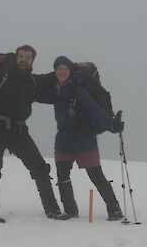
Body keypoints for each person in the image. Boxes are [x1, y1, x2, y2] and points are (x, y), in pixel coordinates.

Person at [0, 41, 64, 223]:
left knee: (39, 167)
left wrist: (73, 67)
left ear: (32, 61)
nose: (24, 60)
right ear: (16, 58)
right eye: (21, 56)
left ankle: (52, 210)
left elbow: (51, 77)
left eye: (28, 58)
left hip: (18, 130)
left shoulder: (32, 81)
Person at [37, 56, 124, 221]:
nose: (62, 71)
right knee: (63, 176)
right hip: (63, 140)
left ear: (70, 72)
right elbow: (35, 95)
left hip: (84, 139)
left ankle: (114, 210)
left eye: (65, 69)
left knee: (96, 175)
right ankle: (70, 210)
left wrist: (112, 125)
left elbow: (94, 110)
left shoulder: (79, 91)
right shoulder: (54, 91)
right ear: (55, 72)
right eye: (59, 69)